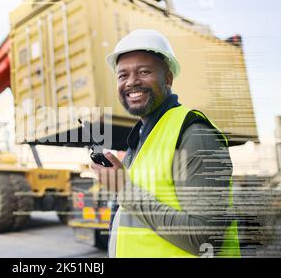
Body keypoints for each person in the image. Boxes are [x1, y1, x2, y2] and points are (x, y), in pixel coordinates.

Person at [90, 29, 241, 258]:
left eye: (144, 71)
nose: (131, 82)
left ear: (168, 79)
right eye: (122, 75)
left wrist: (125, 190)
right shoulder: (140, 140)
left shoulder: (194, 134)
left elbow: (205, 240)